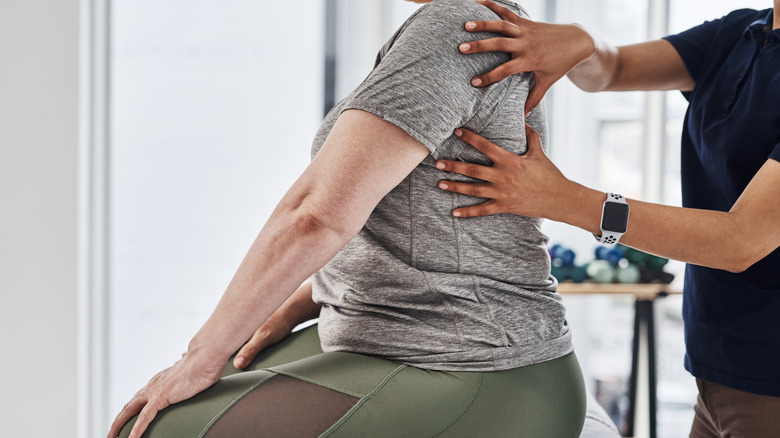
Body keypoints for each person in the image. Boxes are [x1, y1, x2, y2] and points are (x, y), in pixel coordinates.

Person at [109, 1, 591, 437]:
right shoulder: (480, 23)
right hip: (388, 331)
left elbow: (316, 216)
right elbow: (416, 216)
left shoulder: (455, 29)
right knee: (184, 392)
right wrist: (308, 297)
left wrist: (200, 355)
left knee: (159, 431)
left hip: (473, 365)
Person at [434, 1, 780, 436]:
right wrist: (583, 43)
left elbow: (741, 241)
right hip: (716, 365)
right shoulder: (740, 31)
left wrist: (562, 199)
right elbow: (613, 69)